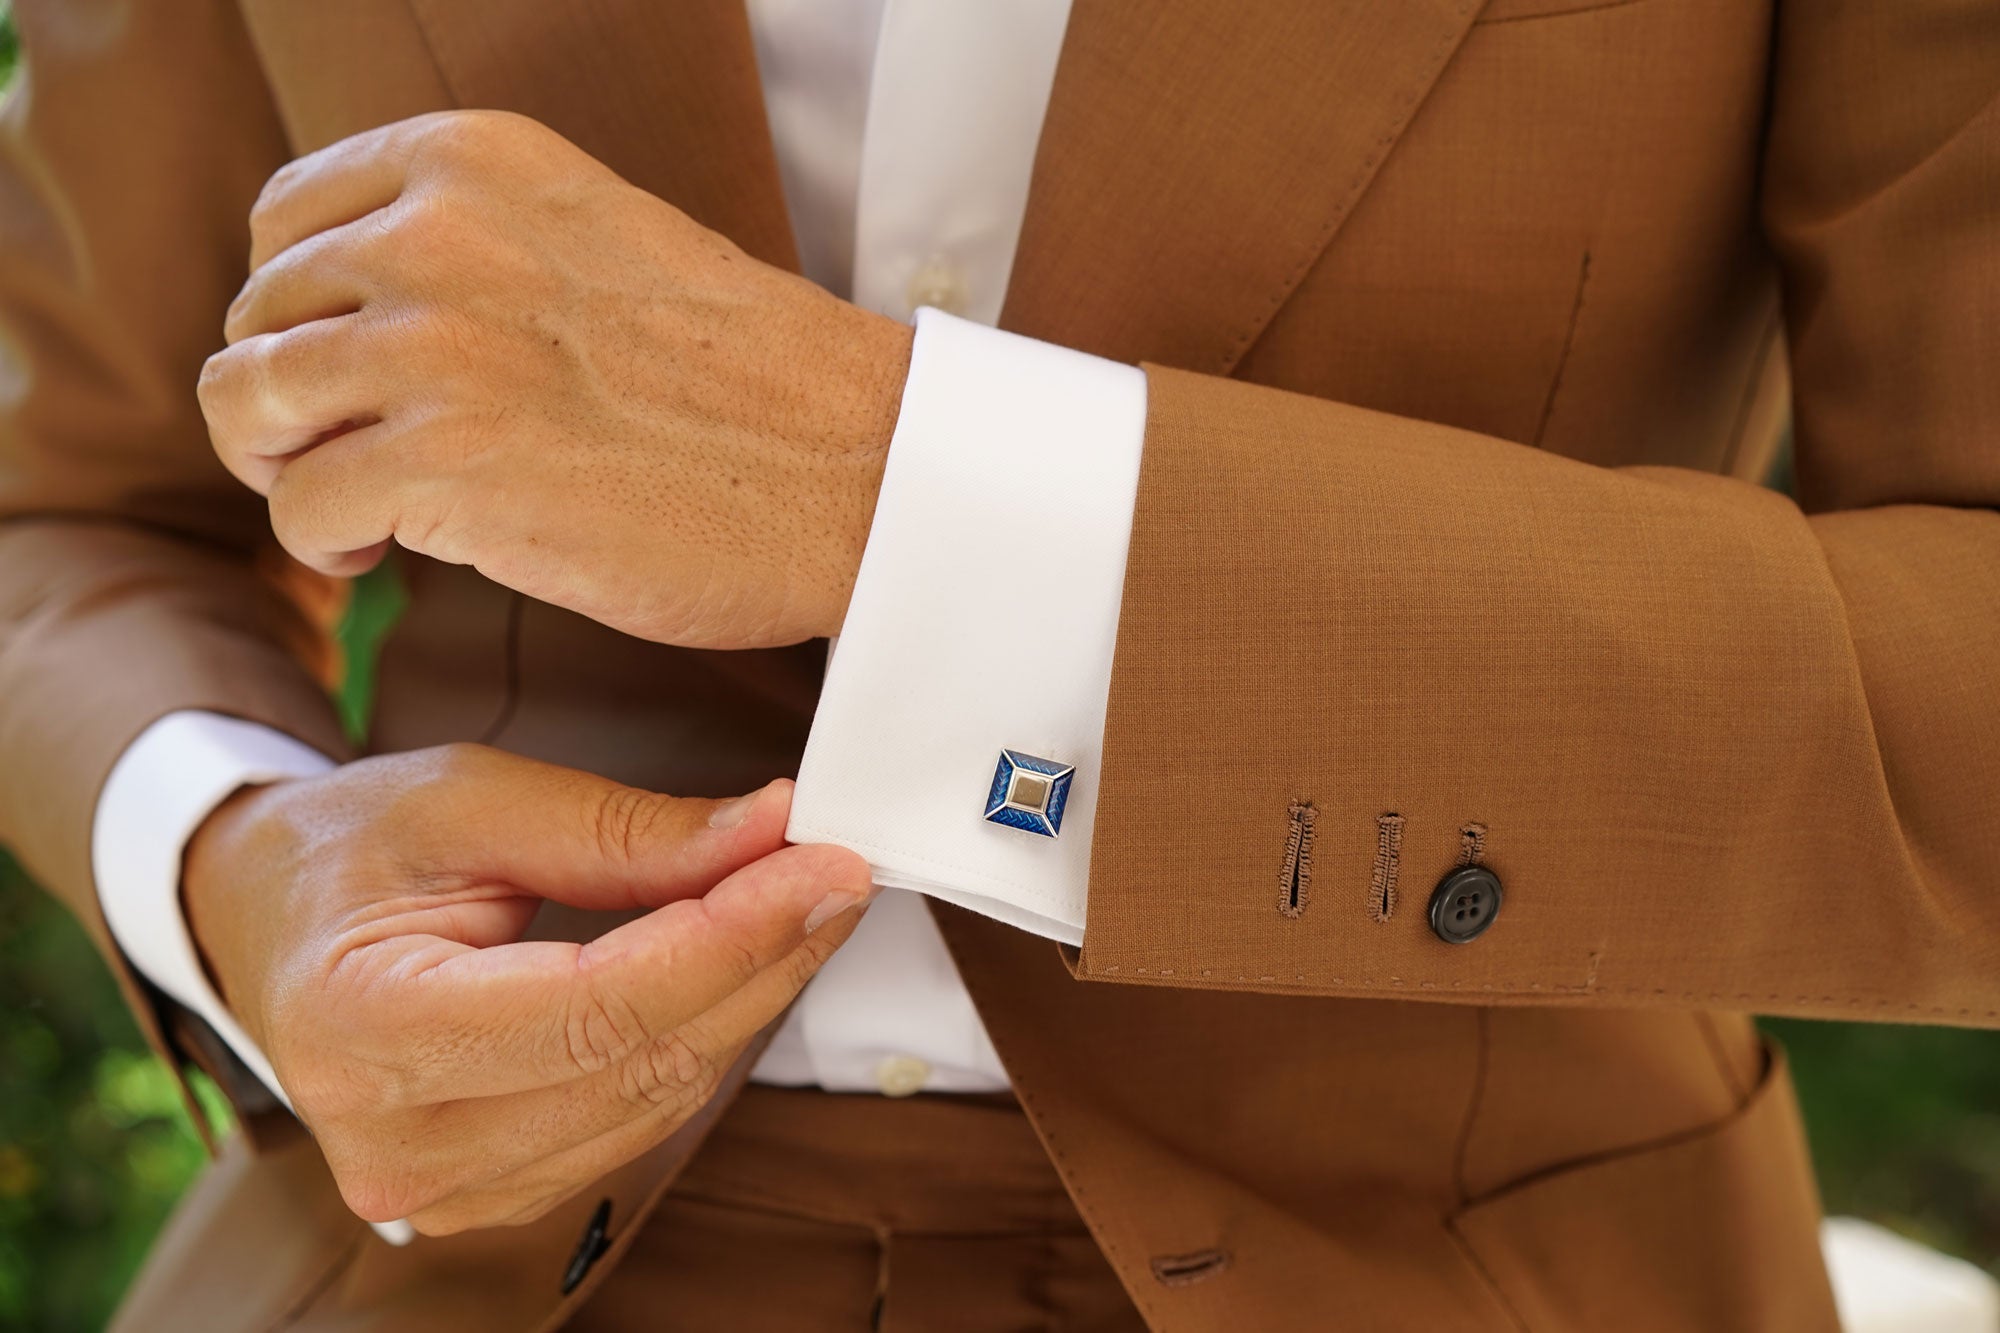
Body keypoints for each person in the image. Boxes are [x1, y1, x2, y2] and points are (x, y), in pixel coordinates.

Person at [1, 0, 1995, 1328]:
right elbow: (59, 498)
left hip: (1474, 1260)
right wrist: (231, 852)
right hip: (448, 1271)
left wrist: (899, 485)